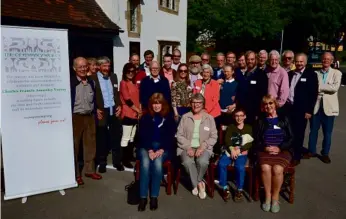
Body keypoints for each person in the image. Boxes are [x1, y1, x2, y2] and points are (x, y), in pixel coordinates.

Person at [255, 95, 294, 213]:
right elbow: (256, 140)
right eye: (266, 104)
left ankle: (275, 197)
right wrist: (265, 148)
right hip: (265, 150)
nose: (268, 106)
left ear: (275, 104)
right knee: (265, 168)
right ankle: (267, 196)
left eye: (270, 103)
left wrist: (280, 147)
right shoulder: (260, 120)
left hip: (282, 151)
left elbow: (292, 138)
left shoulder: (284, 118)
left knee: (277, 169)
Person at [137, 93, 175, 211]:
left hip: (163, 147)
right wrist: (149, 150)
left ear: (163, 104)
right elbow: (142, 136)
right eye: (154, 103)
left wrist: (161, 149)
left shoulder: (168, 118)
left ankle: (154, 197)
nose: (156, 106)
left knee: (158, 163)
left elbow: (171, 137)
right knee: (145, 163)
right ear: (151, 105)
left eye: (159, 103)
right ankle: (143, 198)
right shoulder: (145, 117)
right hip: (145, 146)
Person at [177, 93, 218, 199]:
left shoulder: (209, 118)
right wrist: (187, 147)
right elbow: (179, 135)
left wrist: (202, 147)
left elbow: (214, 137)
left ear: (203, 104)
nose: (196, 105)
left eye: (198, 102)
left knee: (202, 162)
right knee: (187, 162)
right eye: (194, 102)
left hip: (203, 147)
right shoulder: (185, 117)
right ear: (191, 104)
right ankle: (199, 184)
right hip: (186, 147)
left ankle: (196, 182)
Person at [70, 57, 102, 185]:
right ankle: (76, 174)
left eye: (85, 66)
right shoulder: (71, 82)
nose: (83, 69)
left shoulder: (91, 82)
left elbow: (94, 100)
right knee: (75, 146)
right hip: (75, 117)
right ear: (74, 68)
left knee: (90, 145)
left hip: (89, 117)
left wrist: (96, 112)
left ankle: (89, 170)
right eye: (80, 67)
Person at [283, 53, 318, 166]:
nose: (299, 63)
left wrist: (309, 111)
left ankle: (297, 156)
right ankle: (289, 152)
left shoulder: (311, 75)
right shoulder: (290, 74)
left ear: (305, 62)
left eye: (301, 61)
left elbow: (313, 94)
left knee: (299, 133)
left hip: (302, 110)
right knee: (289, 131)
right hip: (289, 108)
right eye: (297, 61)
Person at [307, 52, 342, 164]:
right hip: (316, 106)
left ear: (332, 61)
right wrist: (321, 88)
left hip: (329, 108)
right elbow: (312, 88)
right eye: (324, 59)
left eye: (328, 59)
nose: (325, 61)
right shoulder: (316, 73)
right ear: (321, 60)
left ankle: (325, 153)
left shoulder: (337, 73)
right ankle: (311, 151)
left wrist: (319, 87)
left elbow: (334, 87)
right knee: (313, 131)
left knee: (327, 132)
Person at [91, 57, 123, 172]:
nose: (107, 68)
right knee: (102, 138)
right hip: (102, 111)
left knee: (116, 137)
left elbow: (116, 93)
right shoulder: (93, 79)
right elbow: (91, 97)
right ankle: (102, 162)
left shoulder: (113, 76)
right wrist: (95, 109)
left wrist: (119, 105)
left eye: (108, 66)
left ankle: (117, 161)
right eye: (104, 66)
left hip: (113, 109)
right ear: (99, 67)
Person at [218, 108, 253, 202]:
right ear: (234, 117)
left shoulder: (248, 128)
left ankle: (239, 189)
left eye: (241, 116)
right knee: (222, 164)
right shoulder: (231, 127)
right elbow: (227, 140)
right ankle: (224, 187)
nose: (239, 118)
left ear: (244, 117)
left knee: (240, 167)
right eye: (237, 116)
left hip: (242, 152)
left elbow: (250, 142)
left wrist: (241, 149)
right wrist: (232, 149)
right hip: (230, 151)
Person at [235, 51, 268, 125]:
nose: (250, 61)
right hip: (243, 111)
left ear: (256, 59)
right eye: (248, 59)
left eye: (252, 59)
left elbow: (263, 95)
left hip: (255, 113)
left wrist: (258, 112)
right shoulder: (245, 74)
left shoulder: (261, 74)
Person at [119, 63, 141, 168]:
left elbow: (137, 99)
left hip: (135, 114)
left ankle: (130, 155)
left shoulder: (134, 84)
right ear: (125, 72)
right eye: (128, 71)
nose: (131, 73)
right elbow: (127, 100)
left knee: (132, 137)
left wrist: (138, 110)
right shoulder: (123, 83)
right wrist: (138, 110)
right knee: (126, 137)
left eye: (133, 71)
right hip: (128, 113)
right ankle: (124, 159)